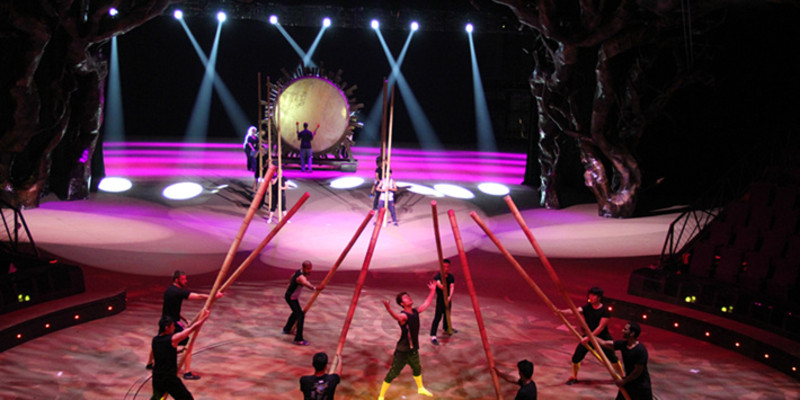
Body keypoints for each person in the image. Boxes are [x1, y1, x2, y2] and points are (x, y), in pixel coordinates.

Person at [146, 270, 223, 380]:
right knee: (188, 343)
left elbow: (171, 309)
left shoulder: (169, 290)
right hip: (172, 324)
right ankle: (187, 372)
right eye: (183, 279)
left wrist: (184, 319)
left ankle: (149, 363)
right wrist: (214, 296)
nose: (185, 281)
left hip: (164, 321)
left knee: (158, 340)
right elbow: (199, 296)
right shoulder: (178, 292)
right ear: (176, 280)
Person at [378, 282, 437, 399]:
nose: (409, 298)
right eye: (405, 298)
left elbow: (426, 303)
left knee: (417, 368)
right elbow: (397, 317)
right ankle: (381, 396)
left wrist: (432, 291)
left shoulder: (415, 311)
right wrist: (389, 310)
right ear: (402, 304)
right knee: (393, 373)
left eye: (408, 296)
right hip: (403, 351)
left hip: (413, 349)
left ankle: (420, 388)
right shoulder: (403, 316)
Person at [559, 286, 624, 385]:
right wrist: (561, 312)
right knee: (576, 357)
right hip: (588, 337)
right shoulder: (588, 307)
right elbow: (574, 311)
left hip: (602, 338)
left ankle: (623, 376)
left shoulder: (604, 311)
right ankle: (574, 377)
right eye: (590, 295)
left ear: (599, 297)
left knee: (612, 358)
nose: (591, 297)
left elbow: (600, 327)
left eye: (593, 295)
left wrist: (588, 337)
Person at [150, 309, 210, 400]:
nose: (174, 328)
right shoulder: (173, 339)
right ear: (167, 328)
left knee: (157, 398)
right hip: (169, 379)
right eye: (173, 326)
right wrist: (204, 318)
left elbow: (162, 353)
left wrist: (179, 351)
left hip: (157, 377)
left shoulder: (155, 340)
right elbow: (192, 329)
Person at [598, 322, 653, 400]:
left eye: (625, 329)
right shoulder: (624, 344)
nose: (622, 330)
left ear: (632, 333)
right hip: (629, 382)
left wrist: (624, 381)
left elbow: (637, 372)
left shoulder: (640, 350)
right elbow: (605, 344)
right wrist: (590, 336)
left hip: (640, 386)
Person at [282, 260, 321, 345]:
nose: (310, 270)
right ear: (303, 268)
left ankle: (287, 329)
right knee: (300, 315)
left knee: (295, 312)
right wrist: (315, 288)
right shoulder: (301, 277)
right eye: (308, 269)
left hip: (292, 296)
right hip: (291, 298)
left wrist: (290, 283)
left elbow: (292, 276)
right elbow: (305, 283)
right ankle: (298, 339)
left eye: (310, 268)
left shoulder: (299, 271)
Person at [430, 258, 456, 345]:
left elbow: (452, 286)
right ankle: (433, 335)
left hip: (448, 299)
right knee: (438, 317)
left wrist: (449, 297)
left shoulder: (451, 277)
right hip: (440, 300)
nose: (446, 268)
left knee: (447, 314)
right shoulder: (438, 276)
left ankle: (446, 328)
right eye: (444, 266)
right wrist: (441, 286)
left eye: (447, 266)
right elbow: (438, 283)